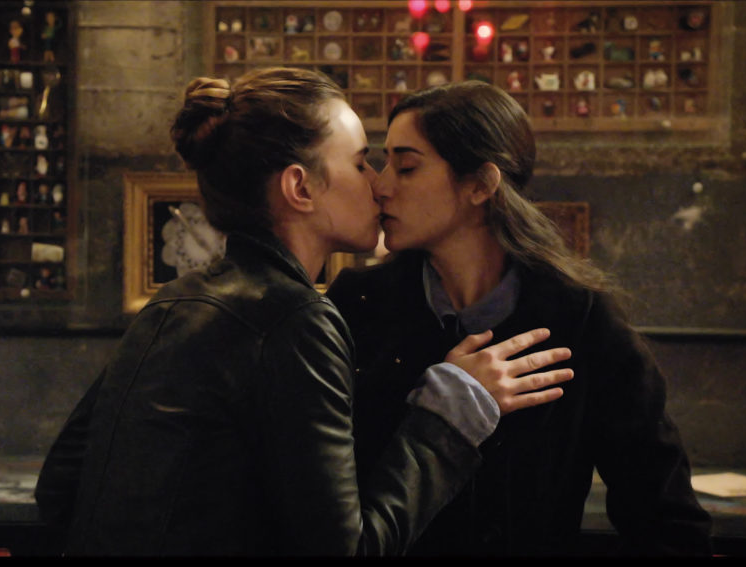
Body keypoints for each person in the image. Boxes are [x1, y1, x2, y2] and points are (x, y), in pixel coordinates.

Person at [35, 68, 574, 556]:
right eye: (361, 162)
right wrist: (450, 413)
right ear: (299, 187)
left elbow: (59, 486)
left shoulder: (172, 301)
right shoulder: (296, 320)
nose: (378, 183)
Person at [326, 80, 713, 556]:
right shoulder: (359, 304)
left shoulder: (580, 318)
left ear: (480, 185)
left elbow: (664, 515)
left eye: (406, 167)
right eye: (383, 163)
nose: (381, 186)